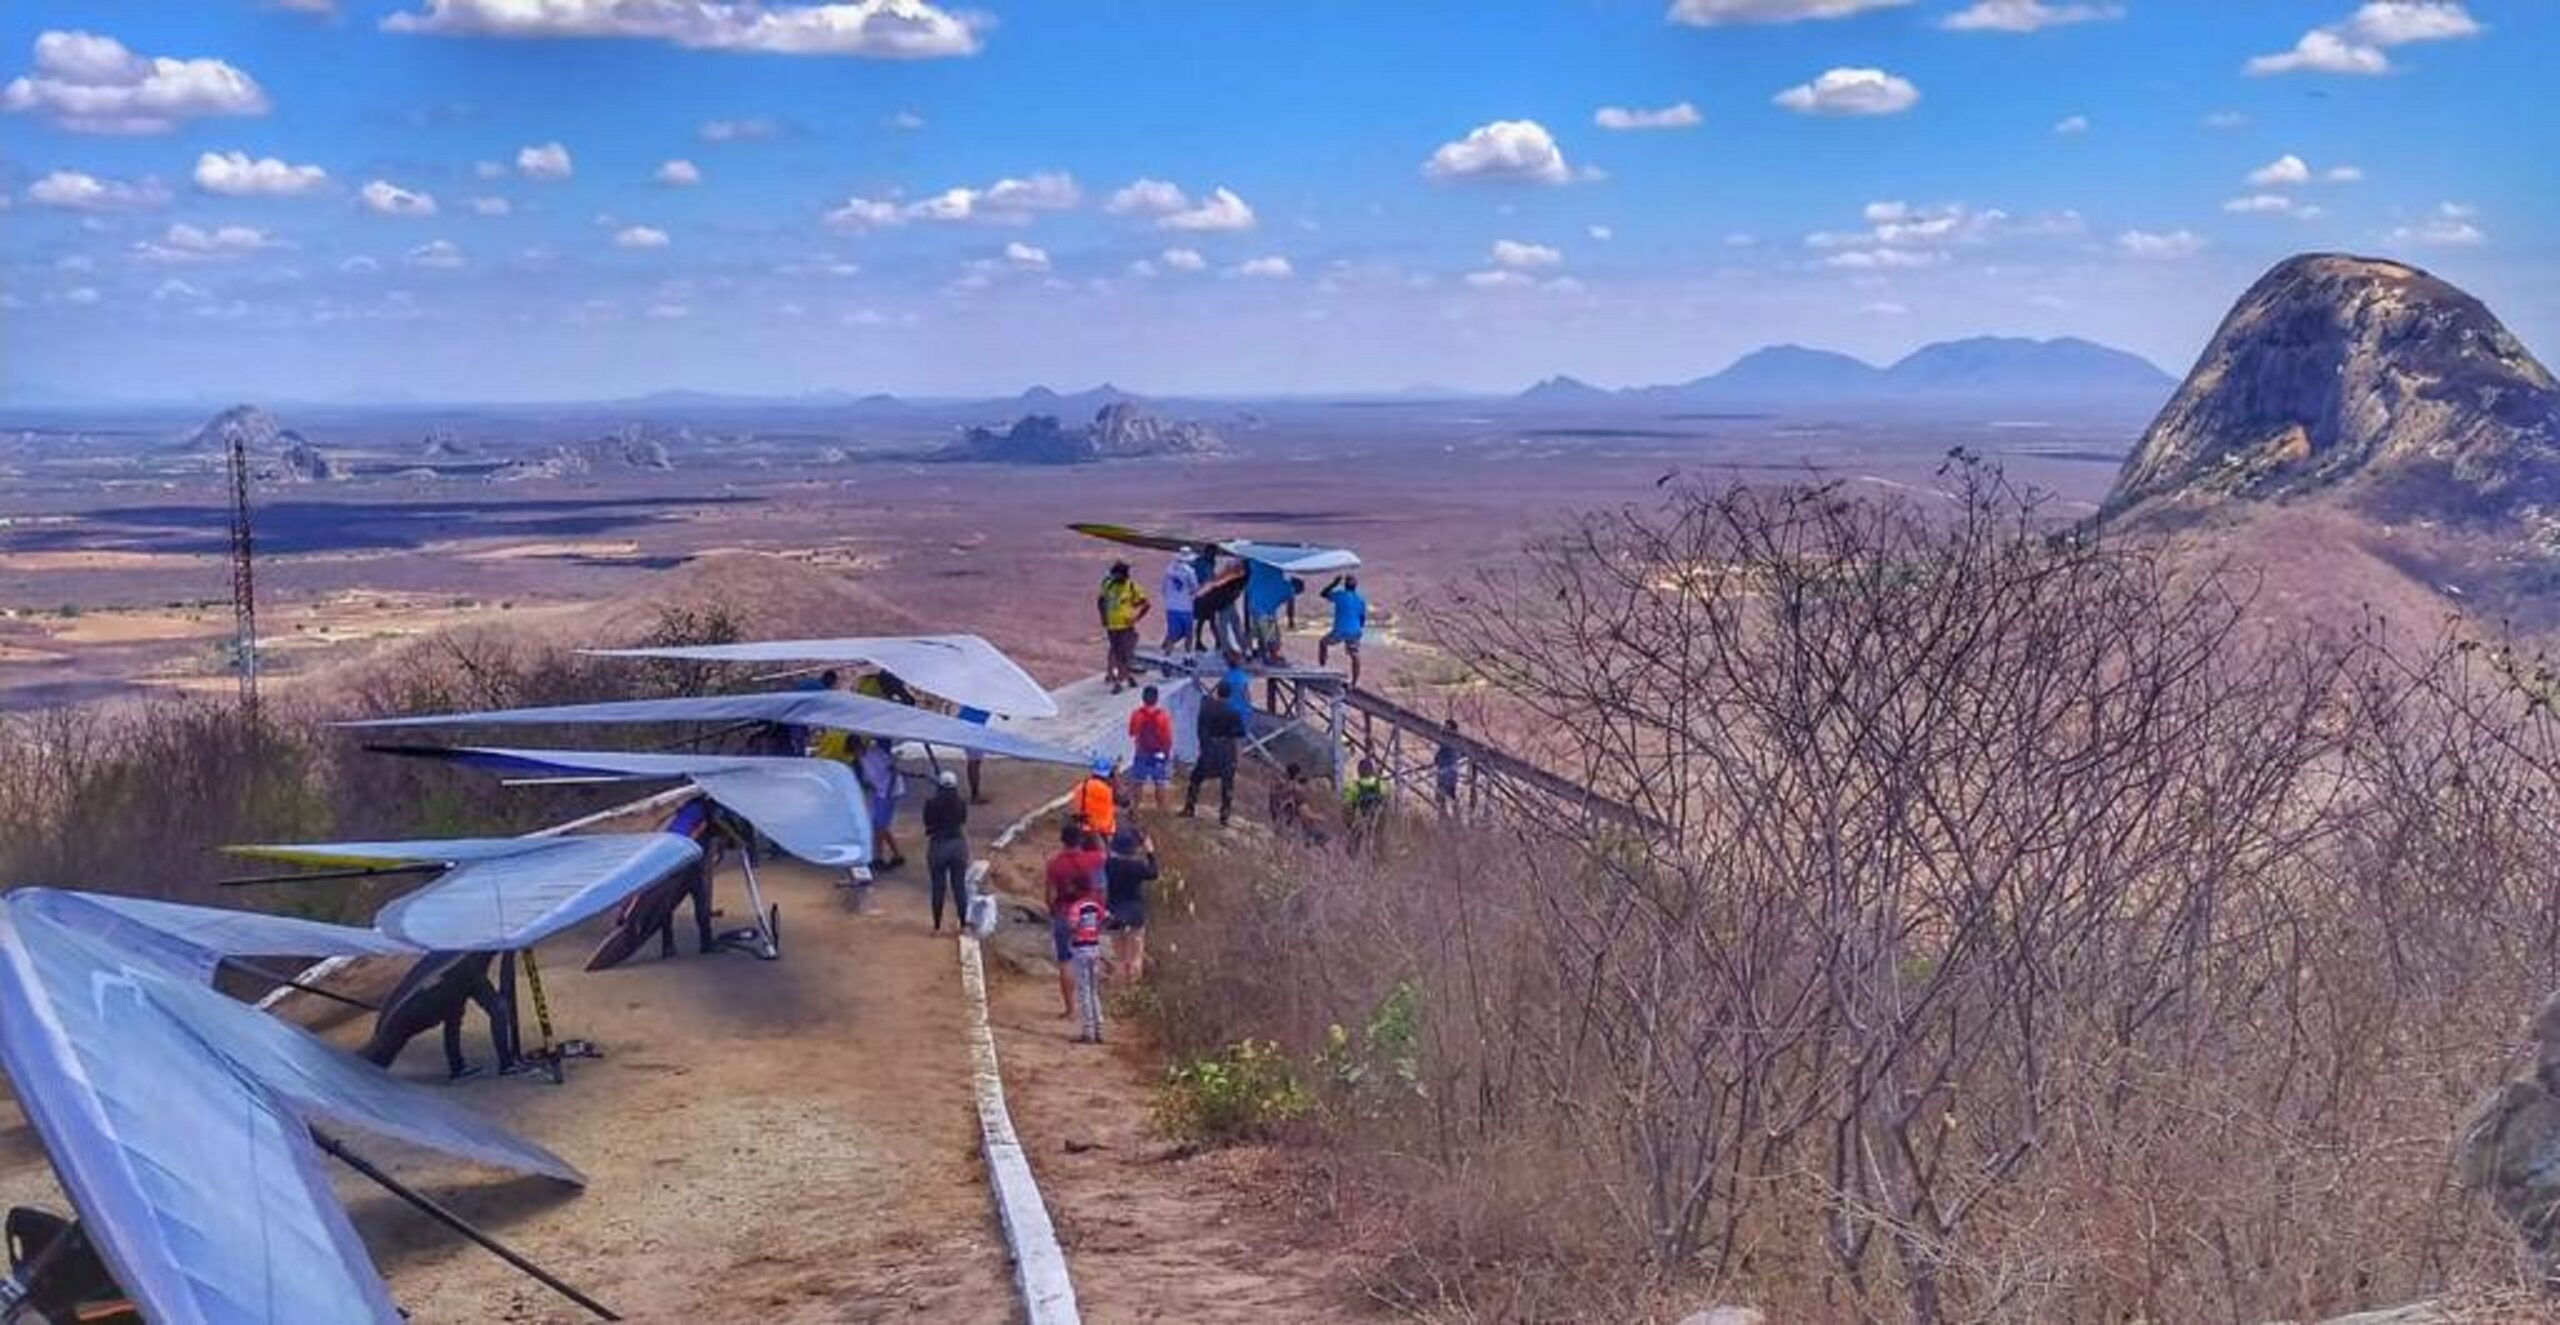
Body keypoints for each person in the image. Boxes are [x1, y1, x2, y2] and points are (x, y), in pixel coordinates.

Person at [363, 950, 515, 1081]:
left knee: (455, 1017)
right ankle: (505, 1063)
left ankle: (459, 1067)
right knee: (496, 1010)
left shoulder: (465, 947)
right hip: (428, 1000)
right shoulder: (471, 957)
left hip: (450, 984)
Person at [1044, 823, 1108, 1018]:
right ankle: (1091, 1006)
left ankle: (1070, 1009)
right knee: (1088, 957)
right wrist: (1094, 832)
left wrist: (1053, 910)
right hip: (1087, 913)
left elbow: (1049, 893)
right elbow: (1104, 852)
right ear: (1080, 840)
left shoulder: (1054, 863)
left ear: (1062, 840)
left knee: (1065, 961)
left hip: (1063, 911)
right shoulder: (1091, 859)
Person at [1182, 680, 1245, 824]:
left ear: (1218, 692)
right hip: (1226, 748)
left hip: (1210, 746)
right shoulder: (1233, 711)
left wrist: (1204, 745)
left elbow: (1200, 729)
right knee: (1227, 782)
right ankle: (1224, 814)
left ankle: (1190, 807)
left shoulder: (1206, 708)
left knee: (1196, 777)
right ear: (1229, 694)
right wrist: (1229, 734)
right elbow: (1241, 732)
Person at [1104, 826, 1158, 983]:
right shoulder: (1136, 867)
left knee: (1120, 958)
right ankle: (1133, 990)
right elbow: (1154, 872)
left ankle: (1121, 990)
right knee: (1135, 957)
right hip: (1135, 912)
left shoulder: (1108, 865)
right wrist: (1150, 852)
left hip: (1114, 912)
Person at [922, 768, 971, 933]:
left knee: (938, 887)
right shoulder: (961, 802)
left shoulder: (931, 803)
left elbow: (927, 823)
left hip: (938, 845)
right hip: (958, 844)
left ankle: (937, 926)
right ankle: (963, 924)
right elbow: (963, 820)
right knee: (959, 887)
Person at [1066, 877, 1110, 1045]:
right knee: (1093, 990)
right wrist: (1096, 930)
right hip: (1094, 950)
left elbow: (1072, 925)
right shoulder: (1093, 905)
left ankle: (1088, 1032)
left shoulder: (1076, 907)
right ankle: (1099, 1029)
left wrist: (1074, 932)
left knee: (1084, 991)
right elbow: (1107, 917)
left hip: (1081, 951)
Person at [1097, 561, 1152, 694]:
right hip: (1112, 626)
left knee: (1125, 654)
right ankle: (1126, 677)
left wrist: (1136, 617)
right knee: (1117, 652)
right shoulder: (1107, 585)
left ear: (1123, 575)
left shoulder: (1131, 587)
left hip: (1126, 626)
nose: (1114, 577)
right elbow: (1101, 601)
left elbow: (1146, 604)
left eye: (1116, 575)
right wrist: (1103, 618)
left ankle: (1119, 682)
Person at [857, 735, 906, 875]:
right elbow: (870, 779)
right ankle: (896, 855)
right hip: (881, 792)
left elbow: (894, 771)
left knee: (879, 827)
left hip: (890, 792)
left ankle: (879, 858)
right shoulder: (862, 759)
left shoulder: (876, 753)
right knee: (879, 825)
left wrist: (889, 793)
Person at [1127, 685, 1175, 810]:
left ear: (1143, 698)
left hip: (1142, 751)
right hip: (1158, 753)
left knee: (1138, 781)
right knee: (1159, 782)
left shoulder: (1136, 714)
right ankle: (1161, 810)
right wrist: (1166, 753)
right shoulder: (1163, 716)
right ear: (1157, 699)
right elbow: (1167, 738)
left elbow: (1131, 732)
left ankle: (1134, 808)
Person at [1318, 574, 1369, 686]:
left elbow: (1323, 594)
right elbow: (1362, 618)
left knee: (1323, 643)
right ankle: (1354, 682)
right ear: (1356, 586)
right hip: (1355, 631)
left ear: (1345, 586)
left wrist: (1334, 583)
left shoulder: (1340, 595)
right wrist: (1358, 629)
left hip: (1340, 630)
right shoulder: (1360, 600)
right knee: (1354, 654)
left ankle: (1321, 669)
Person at [1194, 561, 1249, 657]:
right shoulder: (1238, 577)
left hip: (1225, 602)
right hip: (1225, 602)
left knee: (1227, 626)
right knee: (1230, 626)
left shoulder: (1235, 577)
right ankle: (1236, 650)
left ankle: (1229, 650)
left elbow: (1217, 582)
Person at [1243, 557, 1293, 663]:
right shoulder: (1288, 589)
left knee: (1256, 631)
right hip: (1263, 610)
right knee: (1270, 635)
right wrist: (1290, 620)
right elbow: (1290, 607)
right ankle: (1271, 656)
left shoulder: (1257, 564)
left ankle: (1252, 652)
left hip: (1254, 603)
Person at [1267, 761, 1326, 845]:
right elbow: (1306, 814)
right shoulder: (1296, 790)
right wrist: (1320, 818)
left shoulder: (1279, 784)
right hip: (1284, 818)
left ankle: (1312, 835)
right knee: (1307, 817)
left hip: (1277, 815)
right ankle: (1312, 836)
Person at [1343, 756, 1390, 850]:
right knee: (1378, 842)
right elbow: (1386, 802)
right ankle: (1378, 859)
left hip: (1363, 817)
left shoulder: (1353, 787)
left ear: (1359, 771)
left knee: (1353, 841)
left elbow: (1348, 807)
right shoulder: (1382, 784)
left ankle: (1353, 858)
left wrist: (1349, 823)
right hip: (1379, 817)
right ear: (1372, 771)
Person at [1072, 755, 1120, 841]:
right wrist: (1116, 779)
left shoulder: (1080, 786)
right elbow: (1125, 801)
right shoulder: (1107, 790)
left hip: (1082, 827)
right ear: (1108, 774)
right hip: (1102, 831)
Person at [1162, 549, 1200, 654]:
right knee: (1189, 634)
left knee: (1172, 633)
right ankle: (1188, 656)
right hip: (1186, 608)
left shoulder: (1168, 570)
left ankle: (1167, 655)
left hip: (1171, 607)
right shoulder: (1190, 572)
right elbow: (1195, 589)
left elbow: (1164, 589)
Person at [1434, 717, 1464, 814]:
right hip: (1448, 769)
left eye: (1447, 727)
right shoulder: (1457, 740)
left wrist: (1437, 759)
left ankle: (1447, 815)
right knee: (1448, 794)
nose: (1445, 728)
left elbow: (1443, 754)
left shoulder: (1450, 739)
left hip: (1447, 770)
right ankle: (1450, 814)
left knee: (1445, 794)